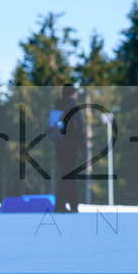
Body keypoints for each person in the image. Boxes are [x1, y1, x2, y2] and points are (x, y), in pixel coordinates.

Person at [48, 84, 84, 213]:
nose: (77, 95)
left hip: (59, 147)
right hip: (71, 147)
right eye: (75, 92)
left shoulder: (57, 107)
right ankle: (59, 205)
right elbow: (79, 130)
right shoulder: (72, 107)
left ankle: (73, 205)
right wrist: (84, 148)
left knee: (69, 175)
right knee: (67, 176)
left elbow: (49, 128)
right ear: (72, 94)